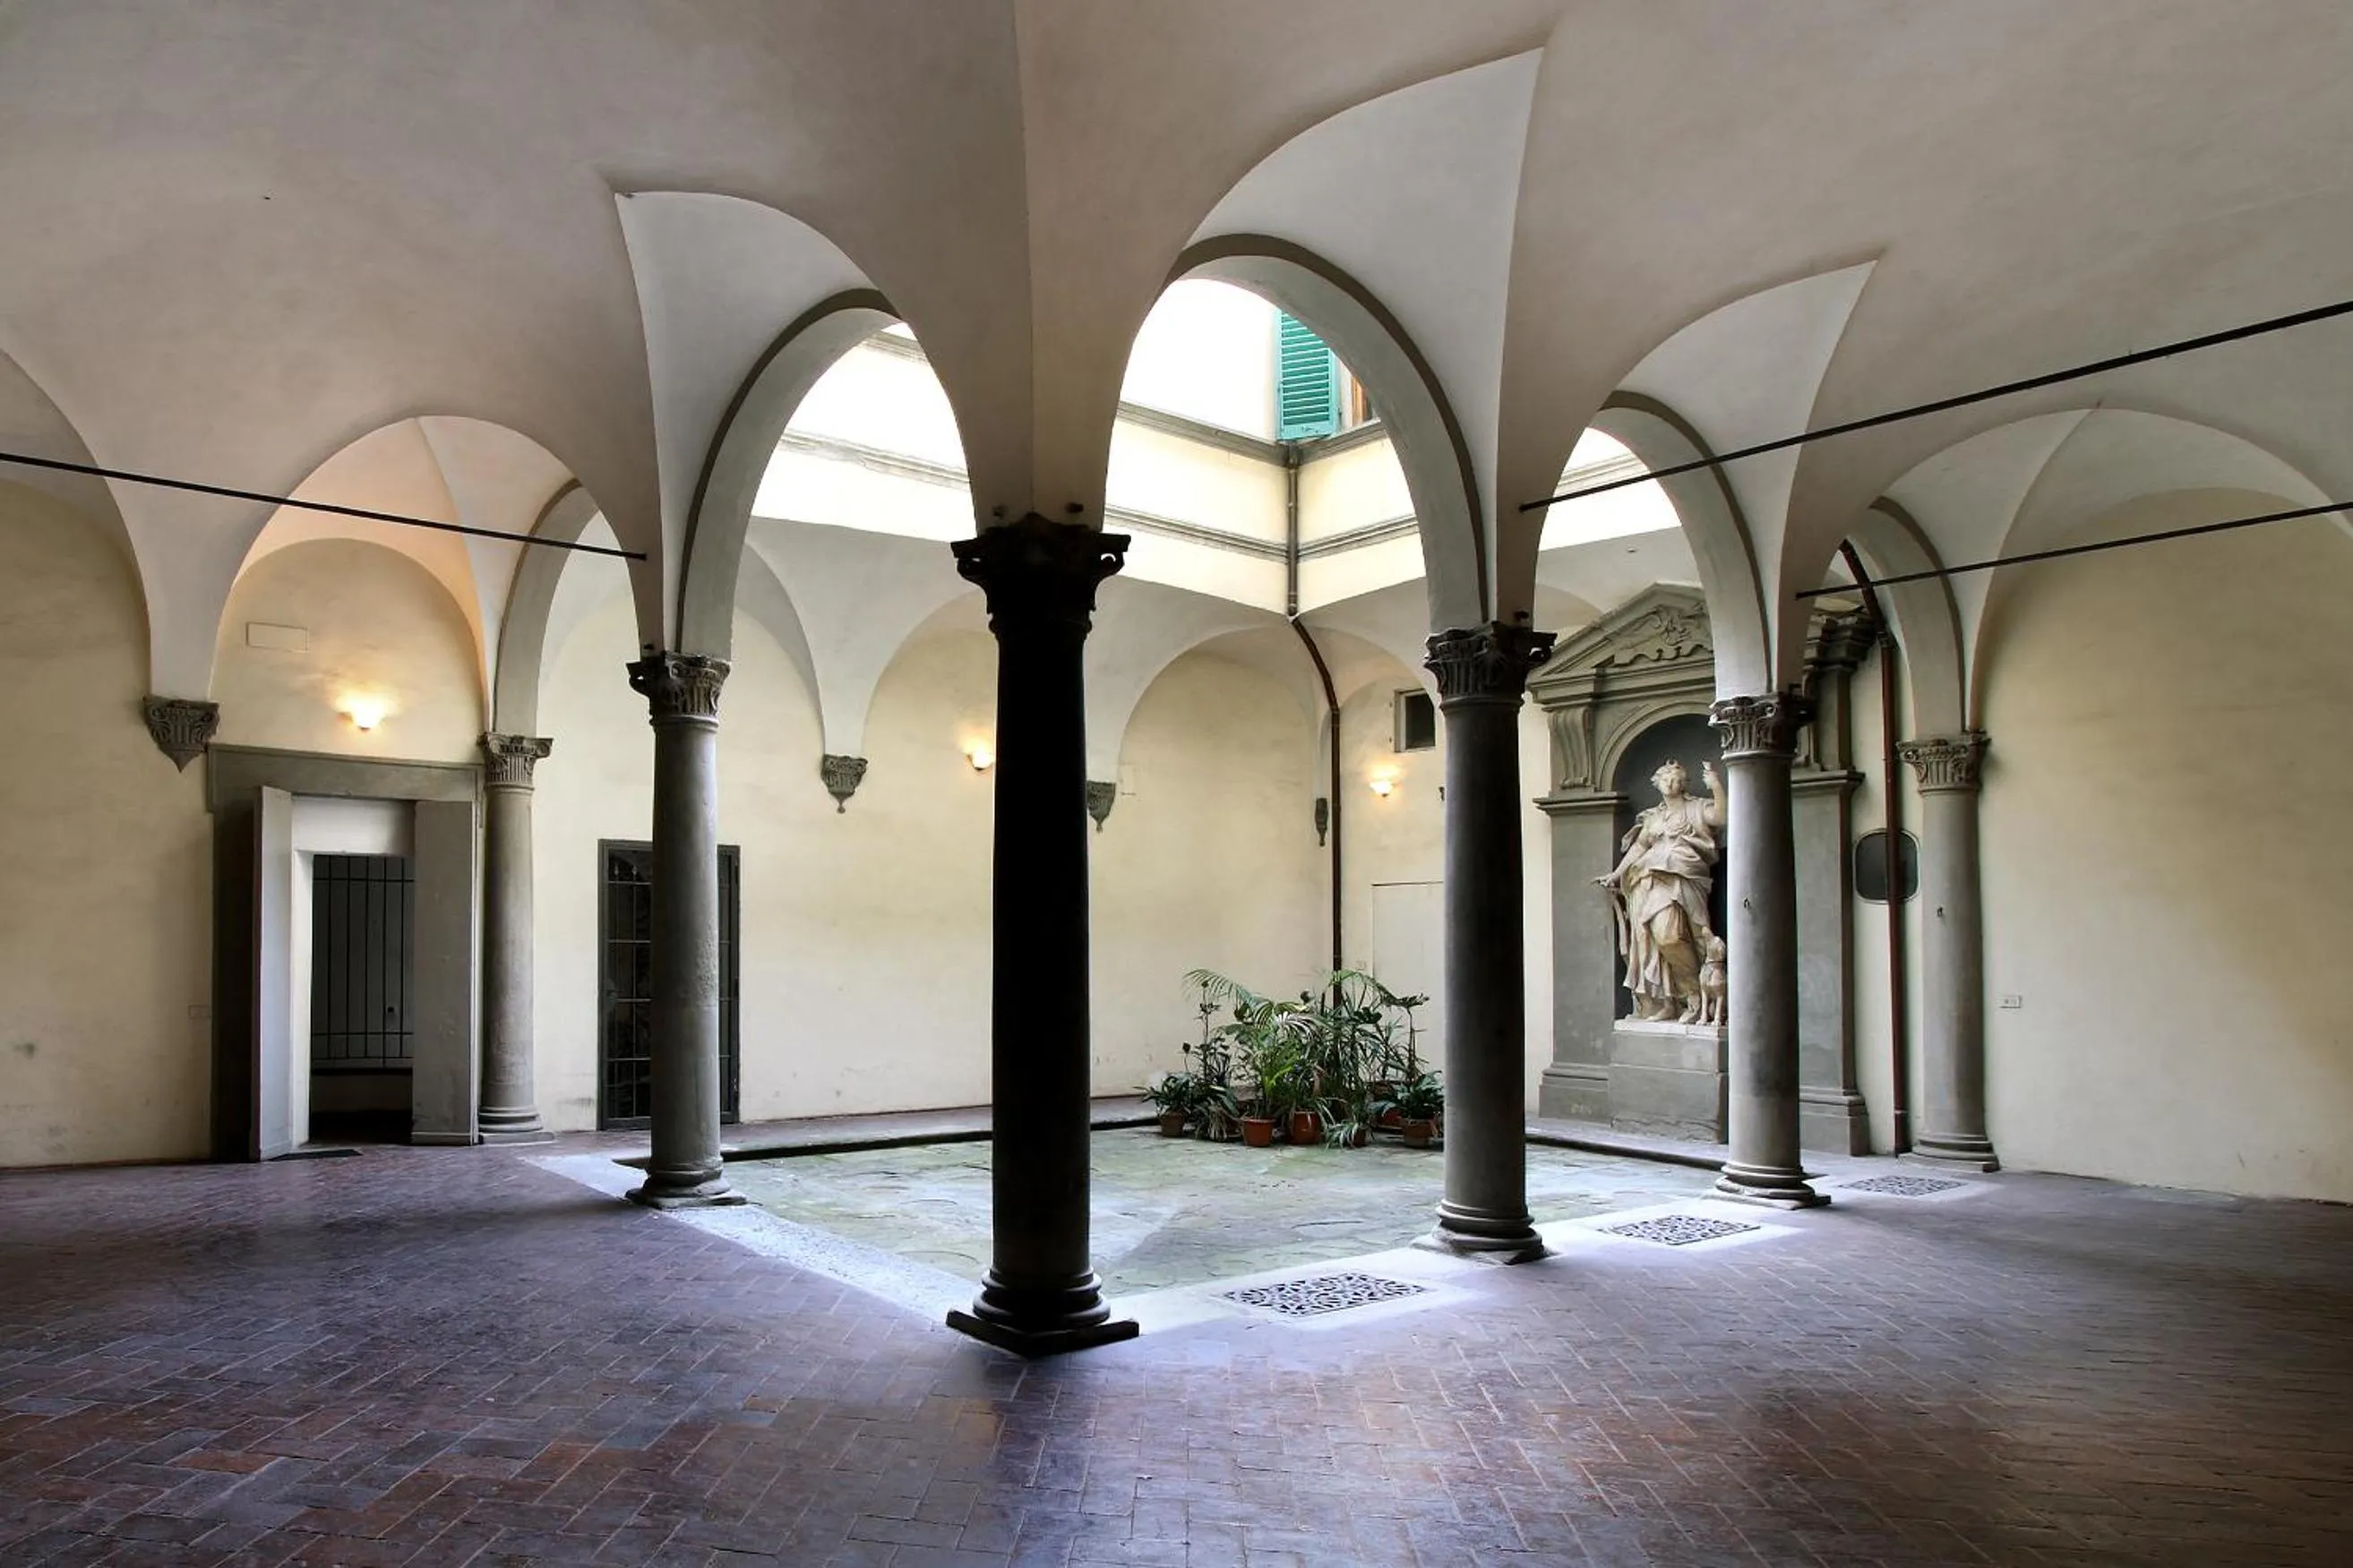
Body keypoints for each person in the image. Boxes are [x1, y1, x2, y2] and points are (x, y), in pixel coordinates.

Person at [1595, 758, 1723, 1022]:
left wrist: (1716, 786)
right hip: (1651, 882)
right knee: (1660, 940)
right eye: (1666, 778)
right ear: (1657, 783)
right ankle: (1681, 998)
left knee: (1695, 938)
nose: (1671, 782)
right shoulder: (1653, 818)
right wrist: (1617, 874)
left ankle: (1703, 998)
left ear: (1685, 783)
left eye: (1677, 778)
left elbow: (1722, 817)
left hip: (1686, 879)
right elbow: (1639, 848)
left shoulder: (1697, 808)